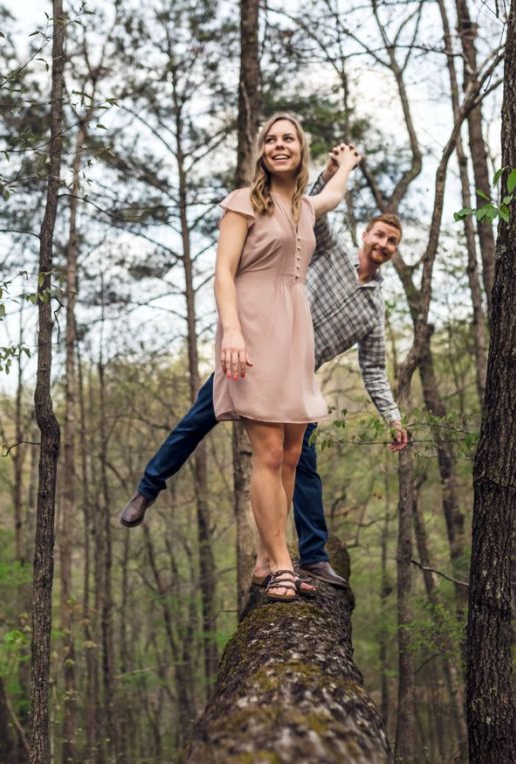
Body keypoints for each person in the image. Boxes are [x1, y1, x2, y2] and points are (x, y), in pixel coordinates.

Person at [118, 114, 410, 595]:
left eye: (289, 139)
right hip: (253, 329)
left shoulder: (305, 212)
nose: (280, 145)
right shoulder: (243, 203)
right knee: (262, 449)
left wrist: (349, 164)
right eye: (271, 139)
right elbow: (222, 272)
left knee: (294, 454)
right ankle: (280, 566)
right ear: (261, 151)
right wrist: (231, 331)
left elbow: (331, 195)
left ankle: (266, 559)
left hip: (297, 344)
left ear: (301, 149)